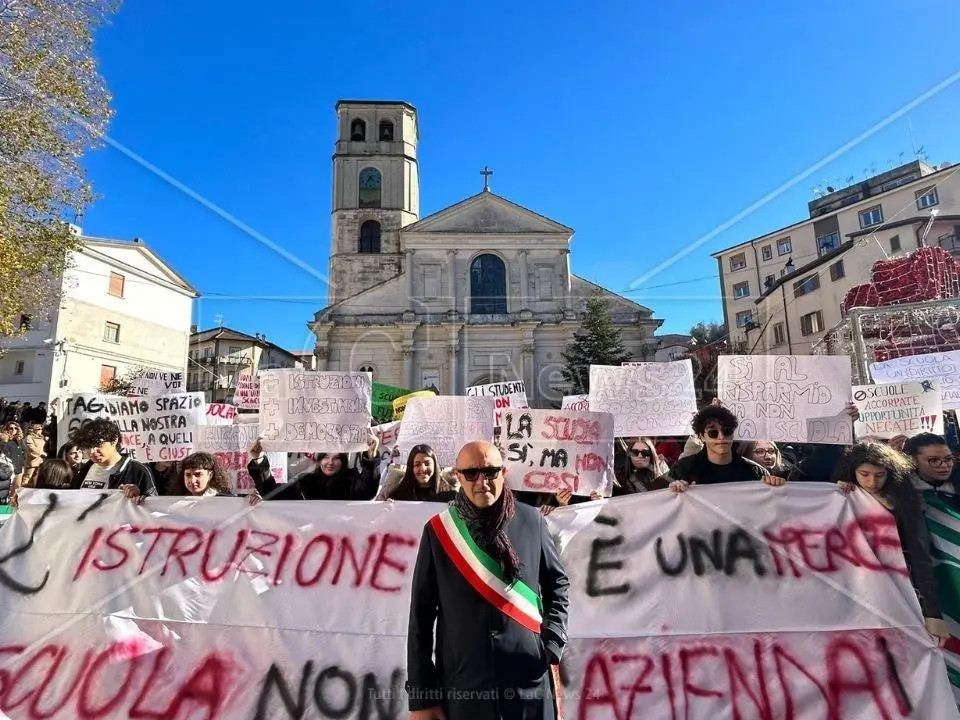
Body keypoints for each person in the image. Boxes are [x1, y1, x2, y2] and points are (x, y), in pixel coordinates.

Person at [406, 440, 569, 720]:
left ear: (503, 473)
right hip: (465, 686)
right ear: (457, 476)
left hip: (528, 681)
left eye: (491, 472)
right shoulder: (438, 531)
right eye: (472, 473)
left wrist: (552, 642)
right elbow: (420, 617)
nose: (482, 482)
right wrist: (422, 698)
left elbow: (558, 585)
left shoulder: (533, 521)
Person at [835, 441, 948, 646]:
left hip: (899, 585)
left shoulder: (903, 503)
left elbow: (920, 554)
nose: (871, 482)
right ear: (852, 472)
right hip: (854, 588)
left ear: (891, 474)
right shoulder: (840, 496)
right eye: (864, 474)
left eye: (880, 475)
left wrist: (932, 614)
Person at [663, 405, 785, 491]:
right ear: (701, 437)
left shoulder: (755, 472)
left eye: (727, 431)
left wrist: (774, 487)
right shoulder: (683, 469)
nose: (721, 437)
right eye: (713, 433)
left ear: (732, 434)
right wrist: (674, 489)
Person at [247, 435, 380, 500]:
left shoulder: (352, 481)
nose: (330, 462)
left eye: (336, 458)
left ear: (343, 461)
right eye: (326, 457)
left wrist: (371, 455)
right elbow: (271, 492)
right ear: (319, 460)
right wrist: (258, 459)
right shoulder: (305, 482)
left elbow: (367, 490)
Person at [70, 418, 157, 498]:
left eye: (98, 445)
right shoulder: (82, 471)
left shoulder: (138, 471)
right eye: (88, 446)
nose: (92, 451)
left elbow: (153, 506)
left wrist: (140, 496)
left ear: (114, 440)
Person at [377, 444, 459, 502]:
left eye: (427, 464)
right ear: (411, 468)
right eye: (417, 464)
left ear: (435, 466)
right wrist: (387, 508)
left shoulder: (451, 496)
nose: (423, 468)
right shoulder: (398, 496)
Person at [904, 433, 958, 506]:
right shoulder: (902, 490)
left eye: (948, 459)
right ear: (913, 460)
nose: (944, 465)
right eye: (934, 460)